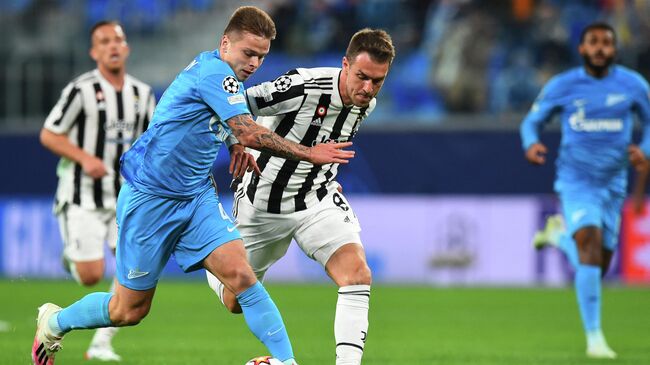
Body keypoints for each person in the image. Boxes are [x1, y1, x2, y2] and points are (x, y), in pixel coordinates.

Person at [31, 6, 355, 365]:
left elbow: (225, 121)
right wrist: (309, 153)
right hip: (150, 199)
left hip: (196, 196)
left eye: (261, 57)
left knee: (242, 275)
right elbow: (248, 128)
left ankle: (286, 362)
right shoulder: (214, 73)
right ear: (225, 43)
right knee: (128, 309)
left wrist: (233, 144)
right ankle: (55, 321)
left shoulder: (227, 76)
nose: (254, 64)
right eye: (248, 53)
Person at [206, 28, 395, 365]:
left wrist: (323, 176)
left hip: (316, 200)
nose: (367, 89)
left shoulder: (367, 103)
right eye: (362, 77)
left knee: (357, 275)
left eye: (377, 81)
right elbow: (232, 105)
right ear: (345, 64)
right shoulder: (303, 86)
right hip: (261, 203)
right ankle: (216, 261)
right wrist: (233, 142)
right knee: (235, 302)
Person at [521, 22, 650, 359]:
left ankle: (557, 236)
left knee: (596, 264)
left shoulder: (633, 85)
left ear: (614, 49)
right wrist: (531, 142)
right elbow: (531, 121)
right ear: (581, 49)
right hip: (576, 181)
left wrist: (645, 150)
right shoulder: (564, 85)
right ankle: (595, 339)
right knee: (590, 248)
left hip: (614, 184)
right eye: (593, 42)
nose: (600, 49)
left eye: (606, 43)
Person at [39, 20, 155, 361]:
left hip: (124, 198)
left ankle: (101, 343)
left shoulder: (142, 94)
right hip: (82, 195)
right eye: (104, 42)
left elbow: (150, 142)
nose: (112, 46)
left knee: (128, 272)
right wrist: (84, 157)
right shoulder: (80, 90)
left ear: (127, 47)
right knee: (90, 276)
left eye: (118, 40)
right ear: (94, 52)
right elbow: (50, 134)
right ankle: (72, 257)